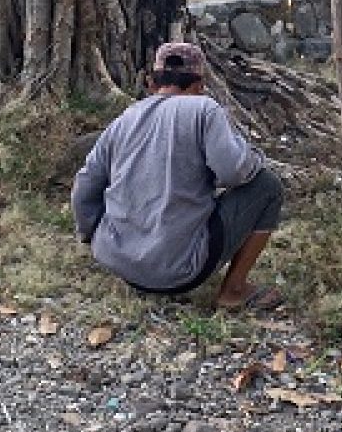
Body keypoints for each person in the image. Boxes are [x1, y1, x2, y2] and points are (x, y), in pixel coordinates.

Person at [72, 41, 286, 312]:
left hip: (119, 262)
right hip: (180, 272)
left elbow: (85, 186)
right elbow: (233, 173)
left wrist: (91, 236)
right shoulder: (203, 110)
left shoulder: (125, 119)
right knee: (268, 186)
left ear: (151, 83)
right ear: (200, 85)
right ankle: (233, 290)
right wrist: (253, 156)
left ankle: (137, 265)